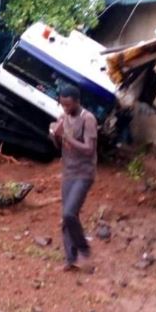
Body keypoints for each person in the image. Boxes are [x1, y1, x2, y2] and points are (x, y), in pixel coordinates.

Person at [49, 85, 98, 271]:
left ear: (77, 102)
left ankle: (84, 249)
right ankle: (70, 259)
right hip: (68, 172)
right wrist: (55, 135)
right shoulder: (64, 117)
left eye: (68, 105)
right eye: (62, 105)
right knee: (67, 217)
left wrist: (66, 136)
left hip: (84, 174)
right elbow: (58, 146)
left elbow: (89, 149)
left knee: (69, 213)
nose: (65, 108)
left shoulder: (88, 119)